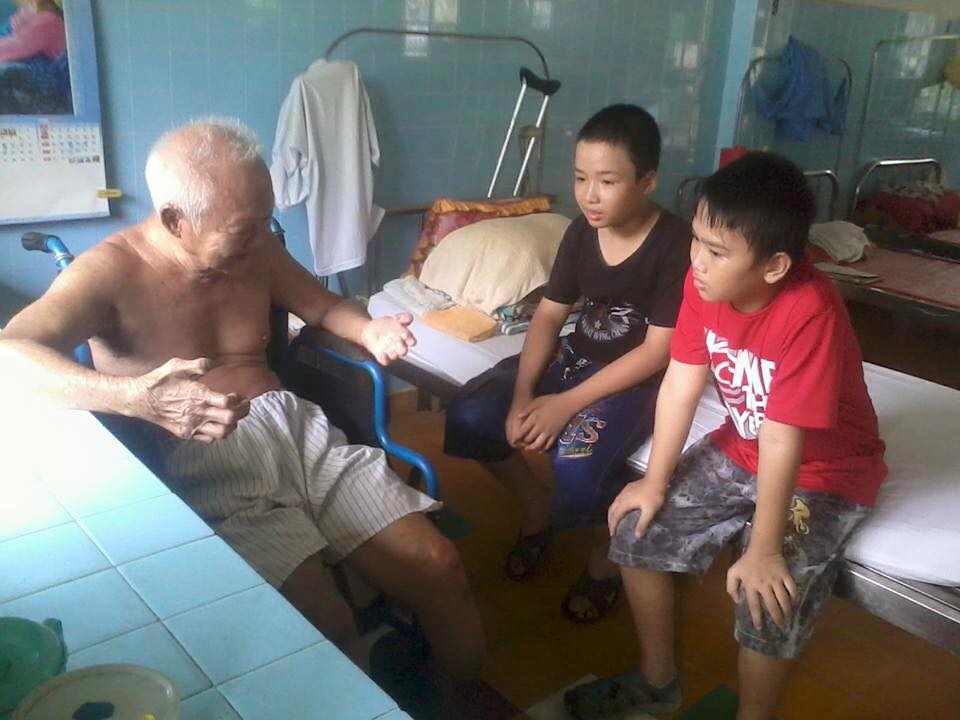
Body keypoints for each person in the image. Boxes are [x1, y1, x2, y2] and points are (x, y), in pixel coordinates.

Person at [0, 119, 485, 696]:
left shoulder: (258, 248)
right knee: (325, 624)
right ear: (175, 220)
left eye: (265, 220)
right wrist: (136, 397)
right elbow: (11, 354)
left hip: (296, 429)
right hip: (205, 457)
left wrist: (368, 329)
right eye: (243, 228)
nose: (262, 240)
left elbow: (323, 304)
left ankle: (455, 700)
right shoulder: (111, 272)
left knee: (438, 565)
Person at [564, 153, 887, 720]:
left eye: (716, 251)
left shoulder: (809, 310)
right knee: (637, 533)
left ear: (774, 265)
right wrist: (654, 482)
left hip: (824, 470)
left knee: (767, 597)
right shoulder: (701, 285)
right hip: (745, 445)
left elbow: (784, 438)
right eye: (696, 240)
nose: (697, 260)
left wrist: (763, 550)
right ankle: (657, 683)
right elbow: (680, 384)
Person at [444, 104, 691, 623]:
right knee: (471, 412)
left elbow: (657, 351)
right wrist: (524, 394)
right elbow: (549, 316)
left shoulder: (675, 244)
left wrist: (565, 405)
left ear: (647, 181)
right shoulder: (580, 232)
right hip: (573, 358)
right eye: (580, 178)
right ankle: (536, 507)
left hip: (635, 380)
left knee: (576, 461)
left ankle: (605, 555)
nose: (589, 195)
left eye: (607, 181)